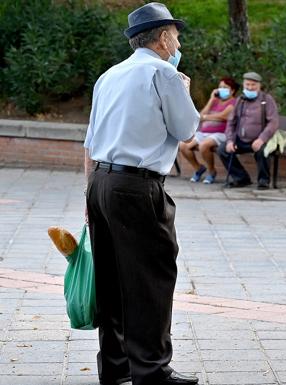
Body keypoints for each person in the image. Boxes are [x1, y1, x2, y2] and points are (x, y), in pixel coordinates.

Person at [82, 3, 199, 385]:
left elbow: (89, 142)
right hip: (137, 186)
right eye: (176, 35)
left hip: (101, 181)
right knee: (150, 276)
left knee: (112, 278)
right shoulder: (164, 73)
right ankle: (150, 369)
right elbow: (186, 130)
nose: (178, 42)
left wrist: (89, 197)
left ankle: (115, 368)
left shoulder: (109, 75)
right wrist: (183, 88)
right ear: (164, 37)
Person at [217, 71, 279, 189]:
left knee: (262, 150)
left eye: (253, 85)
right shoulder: (240, 100)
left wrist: (261, 139)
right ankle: (241, 178)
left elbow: (273, 122)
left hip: (260, 139)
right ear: (244, 85)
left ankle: (263, 180)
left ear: (259, 86)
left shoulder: (266, 99)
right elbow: (231, 121)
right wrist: (230, 140)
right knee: (222, 149)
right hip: (240, 139)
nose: (250, 88)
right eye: (247, 85)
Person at [180, 77, 238, 184]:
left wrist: (206, 117)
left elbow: (223, 116)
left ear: (232, 90)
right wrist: (211, 99)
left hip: (221, 134)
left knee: (204, 145)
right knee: (183, 145)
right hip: (204, 133)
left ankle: (212, 172)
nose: (221, 89)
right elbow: (200, 115)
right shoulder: (215, 101)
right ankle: (198, 168)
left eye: (225, 87)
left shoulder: (233, 103)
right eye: (220, 87)